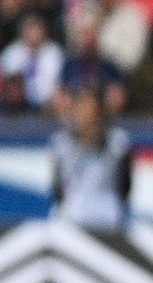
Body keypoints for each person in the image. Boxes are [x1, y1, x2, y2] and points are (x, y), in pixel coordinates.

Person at [48, 85, 134, 230]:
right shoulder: (61, 143)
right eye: (81, 108)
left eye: (91, 108)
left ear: (99, 112)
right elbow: (57, 187)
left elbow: (125, 185)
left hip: (106, 211)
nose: (86, 114)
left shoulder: (118, 143)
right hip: (72, 211)